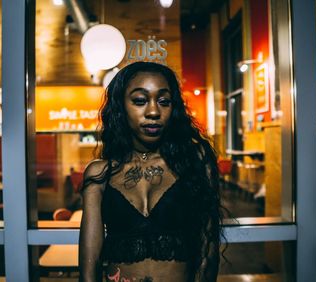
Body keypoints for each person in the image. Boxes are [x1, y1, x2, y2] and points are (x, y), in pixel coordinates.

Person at [79, 61, 224, 282]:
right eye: (140, 100)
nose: (154, 111)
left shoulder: (194, 163)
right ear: (120, 107)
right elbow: (89, 267)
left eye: (164, 101)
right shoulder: (99, 174)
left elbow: (208, 250)